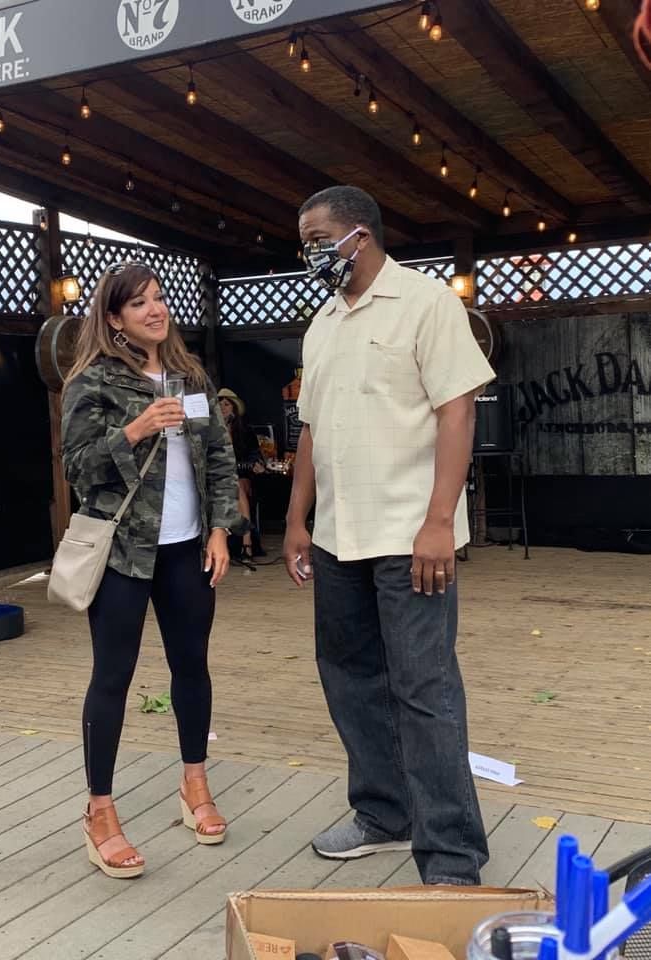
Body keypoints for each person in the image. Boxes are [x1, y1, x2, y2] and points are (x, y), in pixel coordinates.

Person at [284, 186, 493, 885]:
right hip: (338, 538)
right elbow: (310, 430)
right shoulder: (322, 325)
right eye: (304, 242)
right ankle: (383, 812)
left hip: (411, 534)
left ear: (360, 237)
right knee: (349, 680)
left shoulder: (427, 304)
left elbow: (457, 412)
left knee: (424, 688)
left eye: (318, 239)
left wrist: (441, 521)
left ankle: (452, 856)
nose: (310, 253)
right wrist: (294, 520)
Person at [62, 261, 241, 879]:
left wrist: (221, 529)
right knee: (112, 677)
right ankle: (100, 813)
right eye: (139, 304)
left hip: (187, 549)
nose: (155, 310)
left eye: (158, 298)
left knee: (192, 666)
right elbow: (78, 472)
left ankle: (194, 788)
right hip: (122, 556)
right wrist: (134, 430)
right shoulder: (93, 382)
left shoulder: (191, 376)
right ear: (114, 319)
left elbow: (219, 457)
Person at [218, 388, 266, 563]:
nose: (223, 408)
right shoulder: (211, 431)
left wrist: (257, 464)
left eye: (226, 404)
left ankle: (246, 542)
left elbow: (254, 454)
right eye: (219, 404)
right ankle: (241, 544)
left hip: (240, 477)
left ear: (234, 408)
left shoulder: (244, 431)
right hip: (217, 479)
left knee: (238, 487)